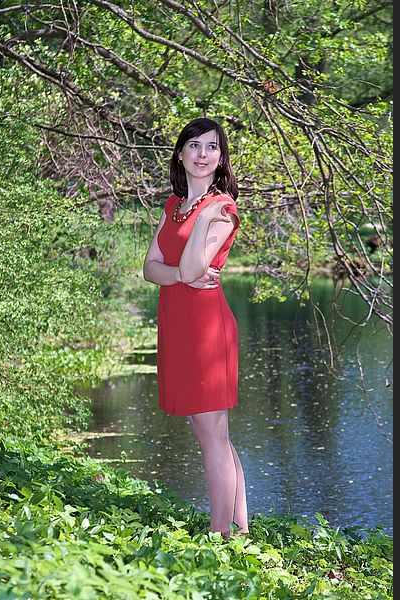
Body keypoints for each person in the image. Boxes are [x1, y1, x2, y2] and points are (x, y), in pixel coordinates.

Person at [143, 117, 249, 539]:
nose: (202, 155)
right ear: (181, 153)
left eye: (211, 147)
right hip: (178, 321)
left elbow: (192, 268)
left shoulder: (221, 208)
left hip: (207, 328)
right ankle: (240, 531)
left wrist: (203, 223)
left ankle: (221, 536)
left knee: (213, 438)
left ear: (221, 157)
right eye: (194, 146)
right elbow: (150, 269)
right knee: (213, 435)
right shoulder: (174, 204)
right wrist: (179, 272)